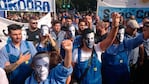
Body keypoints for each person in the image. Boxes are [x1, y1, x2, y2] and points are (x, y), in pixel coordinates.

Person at [72, 12, 121, 84]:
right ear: (83, 39)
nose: (90, 41)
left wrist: (115, 26)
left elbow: (109, 39)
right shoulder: (76, 52)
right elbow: (70, 71)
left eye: (92, 38)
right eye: (87, 39)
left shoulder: (98, 49)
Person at [102, 18, 149, 84]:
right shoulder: (104, 45)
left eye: (122, 33)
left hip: (124, 77)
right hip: (109, 78)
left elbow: (139, 39)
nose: (121, 36)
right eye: (118, 33)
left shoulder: (126, 43)